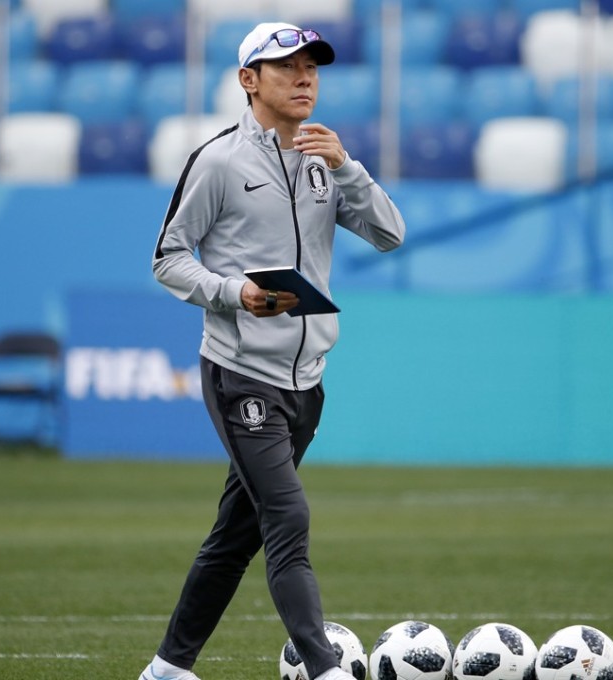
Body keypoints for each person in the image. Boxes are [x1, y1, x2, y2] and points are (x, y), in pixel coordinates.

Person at [139, 21, 406, 680]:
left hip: (306, 383)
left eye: (313, 66)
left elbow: (390, 234)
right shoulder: (220, 161)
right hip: (239, 375)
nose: (305, 77)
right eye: (287, 66)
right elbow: (167, 259)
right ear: (248, 80)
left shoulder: (327, 159)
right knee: (287, 514)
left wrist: (348, 168)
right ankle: (326, 668)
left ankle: (167, 671)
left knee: (236, 536)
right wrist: (234, 292)